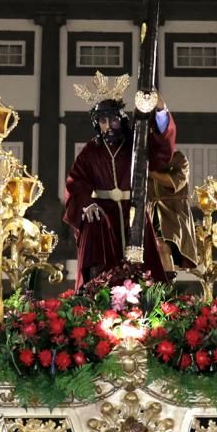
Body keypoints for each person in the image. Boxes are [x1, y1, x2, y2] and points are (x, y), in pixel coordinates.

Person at [63, 84, 179, 284]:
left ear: (122, 119)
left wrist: (160, 109)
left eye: (113, 120)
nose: (109, 126)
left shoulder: (136, 143)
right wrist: (86, 204)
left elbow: (160, 151)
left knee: (143, 266)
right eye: (103, 121)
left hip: (133, 209)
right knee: (94, 226)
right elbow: (76, 184)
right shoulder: (90, 151)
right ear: (97, 124)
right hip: (103, 214)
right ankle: (95, 290)